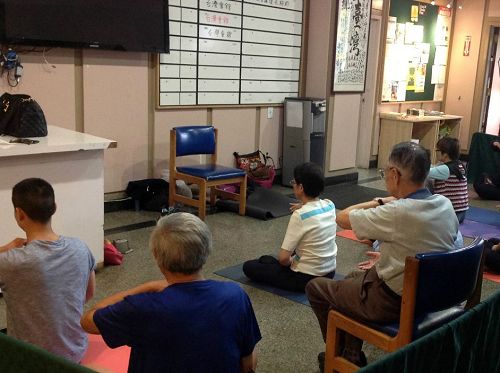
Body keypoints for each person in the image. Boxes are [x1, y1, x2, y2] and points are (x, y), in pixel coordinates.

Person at [306, 142, 459, 369]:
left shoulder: (396, 211)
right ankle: (350, 353)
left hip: (395, 301)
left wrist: (380, 200)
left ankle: (337, 356)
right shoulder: (444, 204)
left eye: (386, 172)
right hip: (435, 295)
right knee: (351, 278)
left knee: (316, 287)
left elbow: (343, 217)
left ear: (395, 175)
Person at [81, 212, 261, 373]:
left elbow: (88, 320)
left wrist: (146, 287)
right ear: (207, 250)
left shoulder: (143, 306)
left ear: (156, 256)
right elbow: (248, 364)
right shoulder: (235, 295)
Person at [0, 178, 96, 362]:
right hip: (75, 353)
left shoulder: (9, 261)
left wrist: (5, 247)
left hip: (30, 359)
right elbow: (88, 294)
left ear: (19, 214)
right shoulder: (81, 248)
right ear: (55, 207)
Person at [242, 162, 337, 293]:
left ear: (301, 187)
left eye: (294, 182)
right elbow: (314, 208)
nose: (293, 185)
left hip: (305, 279)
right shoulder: (330, 205)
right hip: (329, 272)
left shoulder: (300, 216)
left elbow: (283, 259)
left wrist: (291, 261)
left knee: (249, 267)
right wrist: (303, 205)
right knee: (266, 259)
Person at [428, 137, 468, 223]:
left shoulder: (446, 169)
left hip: (451, 213)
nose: (436, 152)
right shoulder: (459, 165)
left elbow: (425, 172)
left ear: (445, 154)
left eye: (437, 150)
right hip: (461, 211)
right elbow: (435, 169)